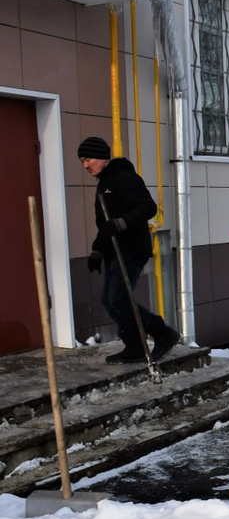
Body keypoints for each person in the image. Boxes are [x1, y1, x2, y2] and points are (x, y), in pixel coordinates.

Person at [79, 136, 180, 365]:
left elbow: (148, 207)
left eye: (88, 159)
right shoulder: (103, 184)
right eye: (82, 161)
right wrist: (98, 251)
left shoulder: (124, 178)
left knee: (118, 298)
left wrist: (122, 223)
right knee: (110, 300)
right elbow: (105, 225)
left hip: (132, 249)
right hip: (116, 251)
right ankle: (134, 345)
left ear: (103, 157)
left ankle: (163, 332)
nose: (85, 165)